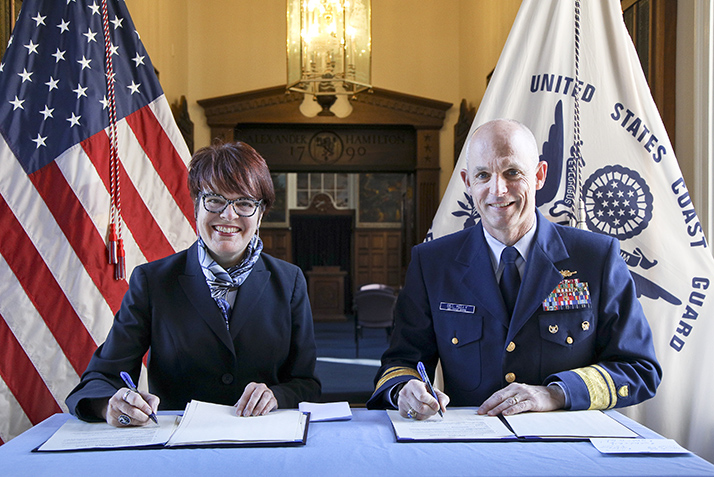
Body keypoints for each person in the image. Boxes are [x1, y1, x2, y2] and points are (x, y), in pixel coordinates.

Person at [366, 119, 661, 420]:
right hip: (471, 448)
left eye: (512, 173)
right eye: (483, 175)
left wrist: (556, 393)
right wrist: (406, 389)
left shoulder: (596, 258)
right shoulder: (432, 264)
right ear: (468, 182)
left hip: (567, 448)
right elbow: (401, 362)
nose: (498, 189)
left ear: (539, 175)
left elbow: (639, 369)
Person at [66, 141, 321, 426]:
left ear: (261, 213)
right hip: (178, 446)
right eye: (215, 200)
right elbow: (101, 377)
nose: (228, 215)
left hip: (264, 441)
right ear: (196, 205)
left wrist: (277, 395)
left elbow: (306, 383)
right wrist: (110, 405)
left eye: (245, 203)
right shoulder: (153, 282)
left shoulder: (290, 281)